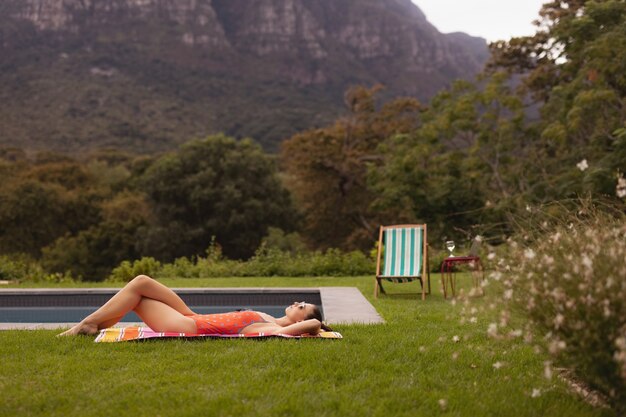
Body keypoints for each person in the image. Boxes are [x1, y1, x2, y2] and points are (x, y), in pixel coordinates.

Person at [58, 275, 331, 337]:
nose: (297, 303)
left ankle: (87, 325)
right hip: (189, 316)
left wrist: (315, 325)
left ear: (300, 321)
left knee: (139, 291)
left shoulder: (271, 328)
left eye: (302, 306)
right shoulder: (269, 319)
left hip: (186, 325)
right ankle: (90, 325)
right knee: (140, 284)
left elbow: (315, 325)